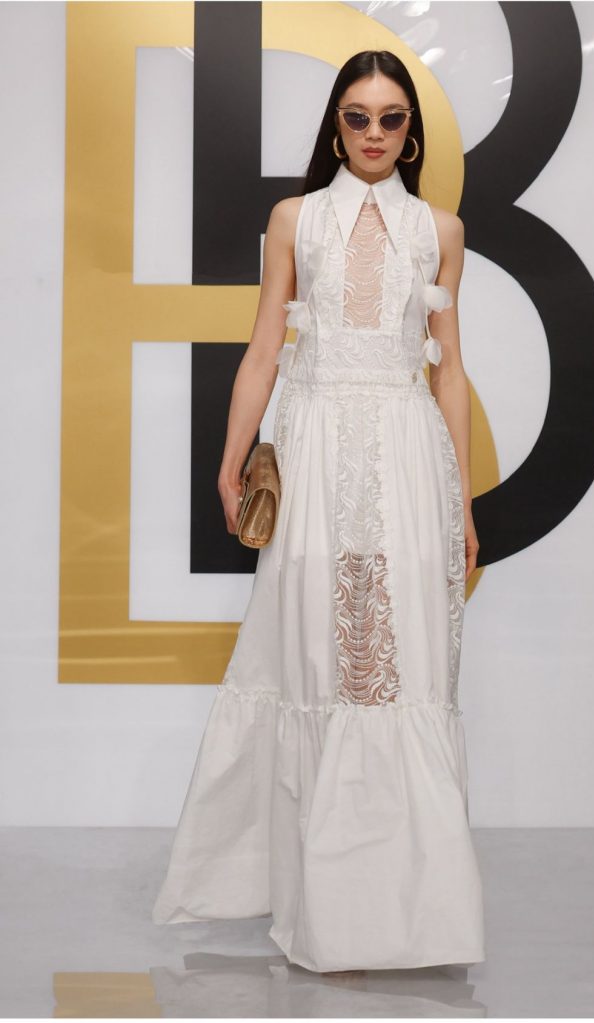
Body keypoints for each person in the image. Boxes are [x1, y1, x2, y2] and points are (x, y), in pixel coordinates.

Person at [152, 49, 486, 975]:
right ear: (335, 128)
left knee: (399, 669)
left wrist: (458, 500)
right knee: (316, 659)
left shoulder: (440, 231)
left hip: (407, 457)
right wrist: (231, 461)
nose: (373, 132)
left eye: (390, 117)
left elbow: (448, 371)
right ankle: (327, 909)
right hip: (314, 448)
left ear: (410, 132)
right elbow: (265, 345)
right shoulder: (293, 220)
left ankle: (403, 914)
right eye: (356, 116)